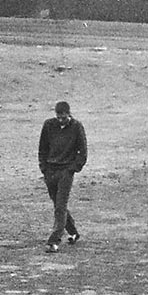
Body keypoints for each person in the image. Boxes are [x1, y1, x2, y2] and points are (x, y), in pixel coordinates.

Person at [38, 101, 87, 253]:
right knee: (58, 205)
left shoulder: (77, 127)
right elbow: (42, 148)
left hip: (66, 171)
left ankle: (54, 241)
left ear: (69, 114)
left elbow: (83, 151)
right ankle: (73, 232)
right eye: (58, 117)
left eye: (64, 117)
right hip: (50, 171)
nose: (61, 120)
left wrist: (72, 169)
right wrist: (44, 168)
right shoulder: (48, 125)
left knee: (60, 206)